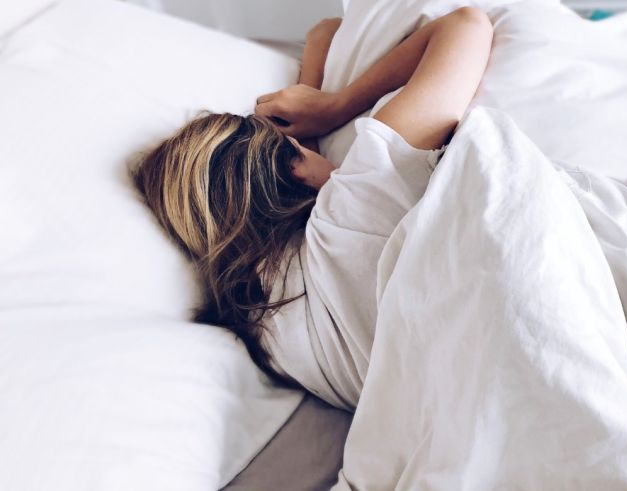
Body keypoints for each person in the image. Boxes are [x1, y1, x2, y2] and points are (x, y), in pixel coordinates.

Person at [132, 7, 494, 410]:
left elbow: (324, 33)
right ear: (294, 166)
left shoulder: (261, 320)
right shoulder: (358, 199)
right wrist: (336, 107)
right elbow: (467, 26)